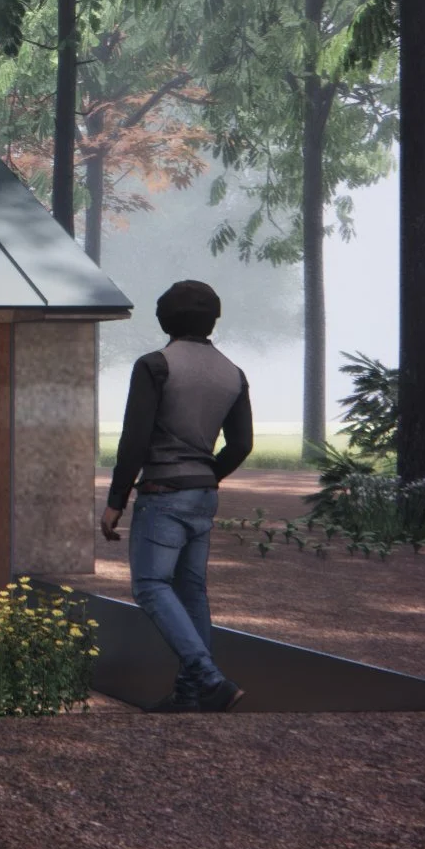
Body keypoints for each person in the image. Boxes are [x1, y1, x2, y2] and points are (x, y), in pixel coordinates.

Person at [102, 279, 254, 712]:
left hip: (162, 493)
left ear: (164, 319)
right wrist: (206, 475)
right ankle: (189, 695)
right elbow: (241, 444)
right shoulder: (234, 373)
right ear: (212, 320)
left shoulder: (155, 366)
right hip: (203, 494)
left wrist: (116, 501)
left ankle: (209, 679)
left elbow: (134, 440)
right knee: (192, 592)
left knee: (150, 585)